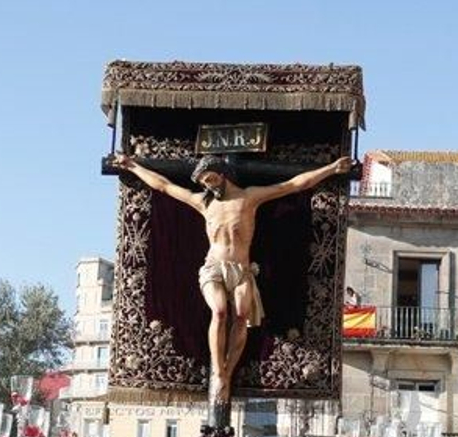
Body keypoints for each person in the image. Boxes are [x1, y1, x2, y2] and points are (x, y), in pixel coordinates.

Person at [112, 152, 352, 416]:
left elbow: (294, 185)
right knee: (219, 311)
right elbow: (164, 186)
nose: (208, 185)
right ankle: (219, 371)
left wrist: (331, 168)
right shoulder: (204, 202)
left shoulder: (249, 197)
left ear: (223, 175)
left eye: (211, 179)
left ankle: (228, 369)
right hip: (213, 267)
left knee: (240, 316)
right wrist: (132, 166)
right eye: (204, 182)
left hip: (241, 270)